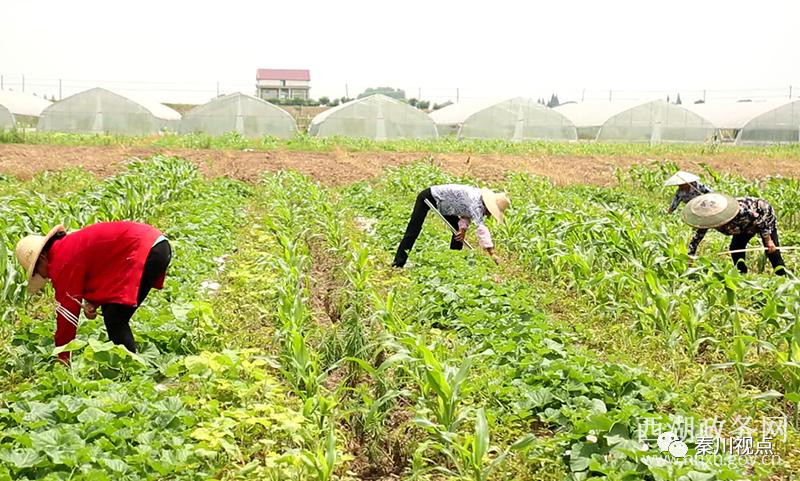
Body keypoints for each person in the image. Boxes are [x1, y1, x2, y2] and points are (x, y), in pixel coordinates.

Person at [14, 221, 172, 362]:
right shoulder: (67, 247)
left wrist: (63, 355)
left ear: (42, 258)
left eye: (37, 271)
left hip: (146, 250)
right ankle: (130, 363)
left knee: (115, 318)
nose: (43, 276)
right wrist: (94, 302)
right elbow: (101, 268)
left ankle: (131, 370)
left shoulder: (61, 262)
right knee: (112, 311)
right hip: (156, 244)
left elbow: (67, 314)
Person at [392, 184, 510, 268]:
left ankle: (454, 261)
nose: (488, 214)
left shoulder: (477, 201)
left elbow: (465, 215)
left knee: (457, 233)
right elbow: (481, 229)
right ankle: (398, 263)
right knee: (414, 230)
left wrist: (462, 229)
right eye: (490, 212)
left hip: (446, 206)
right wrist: (492, 253)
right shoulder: (476, 203)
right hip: (429, 197)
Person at [683, 193, 787, 276]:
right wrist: (690, 257)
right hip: (743, 227)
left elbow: (759, 220)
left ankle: (783, 276)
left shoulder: (740, 212)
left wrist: (768, 240)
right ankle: (741, 274)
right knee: (736, 247)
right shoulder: (709, 220)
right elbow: (696, 239)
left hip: (763, 216)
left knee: (772, 251)